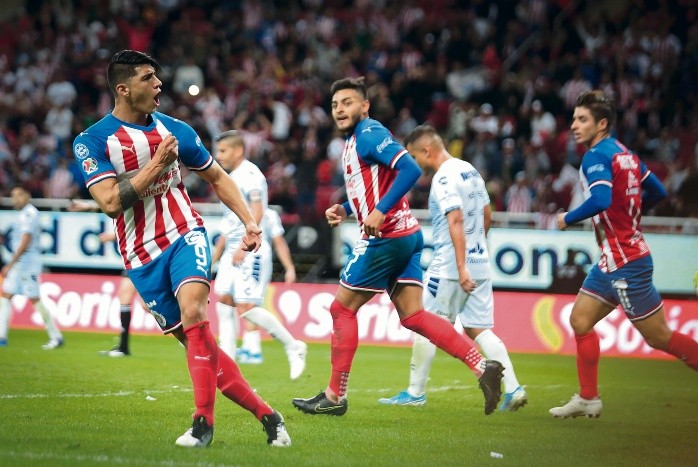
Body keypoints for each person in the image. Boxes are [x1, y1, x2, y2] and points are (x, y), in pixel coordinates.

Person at [72, 50, 291, 448]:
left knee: (194, 311)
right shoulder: (93, 141)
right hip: (140, 255)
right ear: (123, 89)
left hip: (184, 232)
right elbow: (110, 202)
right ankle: (269, 416)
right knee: (200, 346)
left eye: (157, 77)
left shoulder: (177, 130)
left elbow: (218, 178)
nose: (158, 84)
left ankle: (202, 424)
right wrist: (157, 165)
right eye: (147, 78)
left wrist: (249, 221)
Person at [292, 77, 504, 417]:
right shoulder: (357, 140)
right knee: (414, 316)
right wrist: (346, 208)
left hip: (386, 237)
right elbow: (376, 185)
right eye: (334, 105)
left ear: (365, 106)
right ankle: (482, 366)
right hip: (407, 234)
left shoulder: (369, 133)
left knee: (341, 309)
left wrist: (379, 210)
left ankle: (334, 396)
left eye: (347, 102)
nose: (340, 110)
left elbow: (410, 169)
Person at [550, 90, 698, 418]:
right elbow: (658, 190)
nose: (574, 125)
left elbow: (601, 199)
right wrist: (630, 212)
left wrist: (567, 219)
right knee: (580, 320)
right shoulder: (625, 153)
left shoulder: (595, 156)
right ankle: (588, 398)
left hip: (627, 262)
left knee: (659, 337)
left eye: (582, 119)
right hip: (612, 260)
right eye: (574, 119)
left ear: (602, 124)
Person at [378, 125, 527, 411]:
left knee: (423, 321)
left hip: (450, 267)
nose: (413, 164)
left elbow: (455, 220)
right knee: (478, 328)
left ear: (426, 151)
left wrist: (461, 266)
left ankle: (415, 393)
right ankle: (514, 389)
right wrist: (475, 253)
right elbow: (487, 215)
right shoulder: (469, 170)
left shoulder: (443, 177)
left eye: (413, 156)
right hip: (480, 262)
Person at [211, 130, 306, 379]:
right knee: (224, 301)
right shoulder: (232, 175)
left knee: (246, 307)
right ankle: (227, 366)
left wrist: (245, 245)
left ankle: (293, 345)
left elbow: (257, 211)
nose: (218, 156)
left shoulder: (251, 175)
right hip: (232, 246)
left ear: (238, 151)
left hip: (250, 248)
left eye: (223, 151)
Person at [67, 199, 136, 357]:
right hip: (134, 257)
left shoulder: (139, 200)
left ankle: (187, 331)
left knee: (143, 303)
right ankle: (123, 347)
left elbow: (139, 225)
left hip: (143, 256)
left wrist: (115, 235)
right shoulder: (126, 201)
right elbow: (113, 205)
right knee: (129, 298)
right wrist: (87, 206)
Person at [233, 208, 301, 367]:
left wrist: (289, 267)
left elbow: (279, 242)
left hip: (256, 257)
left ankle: (254, 350)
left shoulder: (268, 214)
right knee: (241, 303)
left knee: (249, 304)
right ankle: (248, 345)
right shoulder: (239, 209)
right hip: (243, 259)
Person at [0, 185, 65, 349]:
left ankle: (56, 336)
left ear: (27, 196)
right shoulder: (24, 213)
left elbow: (25, 240)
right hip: (21, 263)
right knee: (6, 295)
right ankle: (2, 336)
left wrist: (10, 264)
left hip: (26, 263)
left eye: (19, 195)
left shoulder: (29, 214)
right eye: (13, 195)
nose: (15, 199)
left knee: (34, 298)